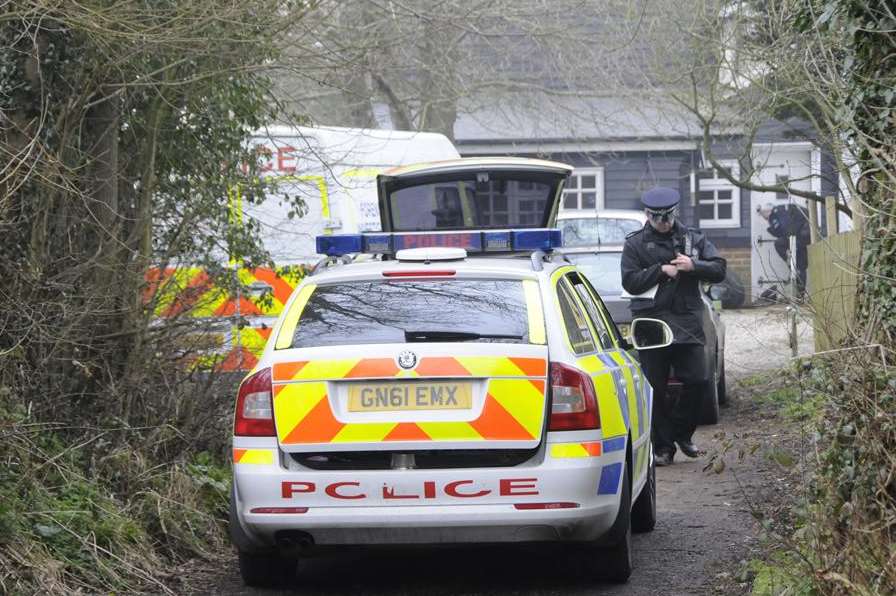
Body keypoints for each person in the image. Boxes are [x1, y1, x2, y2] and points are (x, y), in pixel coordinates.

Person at [621, 187, 727, 466]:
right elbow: (629, 282)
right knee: (654, 388)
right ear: (648, 215)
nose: (664, 222)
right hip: (651, 322)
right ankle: (663, 447)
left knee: (698, 380)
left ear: (674, 212)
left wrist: (694, 266)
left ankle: (682, 433)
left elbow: (719, 268)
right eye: (658, 218)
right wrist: (660, 271)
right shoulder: (634, 244)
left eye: (668, 217)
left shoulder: (692, 238)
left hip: (686, 319)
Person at [757, 203, 811, 297]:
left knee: (799, 266)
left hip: (800, 236)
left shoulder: (775, 215)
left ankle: (799, 294)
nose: (763, 218)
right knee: (798, 266)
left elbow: (783, 230)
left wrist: (792, 247)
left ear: (767, 211)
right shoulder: (781, 209)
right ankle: (798, 292)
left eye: (763, 215)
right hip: (803, 233)